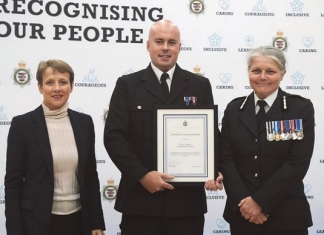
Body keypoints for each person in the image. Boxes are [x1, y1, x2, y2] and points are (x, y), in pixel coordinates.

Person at [104, 19, 223, 235]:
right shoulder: (127, 85)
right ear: (148, 45)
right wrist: (142, 175)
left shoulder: (199, 85)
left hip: (186, 205)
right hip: (140, 201)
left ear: (180, 47)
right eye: (159, 41)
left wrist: (215, 169)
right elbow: (114, 137)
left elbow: (211, 135)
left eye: (172, 42)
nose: (165, 48)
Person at [219, 46, 314, 235]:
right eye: (256, 71)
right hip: (242, 214)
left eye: (270, 71)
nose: (263, 77)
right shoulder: (234, 110)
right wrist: (245, 204)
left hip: (287, 216)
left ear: (283, 74)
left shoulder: (300, 109)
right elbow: (226, 160)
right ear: (249, 73)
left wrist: (260, 203)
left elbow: (297, 163)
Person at [5, 60, 105, 235]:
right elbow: (13, 184)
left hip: (79, 221)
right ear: (40, 87)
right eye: (50, 82)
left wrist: (96, 223)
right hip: (37, 223)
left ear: (72, 86)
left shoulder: (85, 123)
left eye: (63, 82)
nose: (57, 88)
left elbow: (90, 176)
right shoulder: (23, 125)